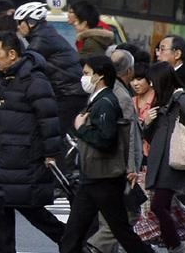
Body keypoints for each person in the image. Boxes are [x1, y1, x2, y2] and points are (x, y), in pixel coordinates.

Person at [60, 56, 153, 253]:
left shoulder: (106, 103)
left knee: (120, 231)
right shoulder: (100, 99)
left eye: (86, 74)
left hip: (103, 178)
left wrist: (80, 128)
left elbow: (106, 139)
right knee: (74, 235)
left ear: (99, 76)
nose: (83, 78)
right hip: (94, 177)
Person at [0, 31, 66, 252]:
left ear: (12, 54)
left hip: (26, 158)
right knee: (3, 211)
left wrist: (51, 154)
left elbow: (49, 119)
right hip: (5, 157)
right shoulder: (2, 78)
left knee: (32, 210)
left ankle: (69, 240)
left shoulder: (34, 79)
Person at [15, 2, 88, 137]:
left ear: (31, 22)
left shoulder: (41, 40)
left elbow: (26, 66)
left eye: (20, 23)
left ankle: (57, 157)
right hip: (67, 92)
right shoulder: (45, 34)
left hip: (70, 93)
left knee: (52, 134)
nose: (18, 27)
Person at [142, 62, 185, 253]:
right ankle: (176, 245)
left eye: (153, 82)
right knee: (163, 205)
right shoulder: (161, 103)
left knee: (159, 205)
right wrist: (147, 123)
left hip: (175, 163)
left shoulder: (181, 98)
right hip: (164, 164)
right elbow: (151, 138)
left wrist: (180, 95)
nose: (151, 85)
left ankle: (176, 246)